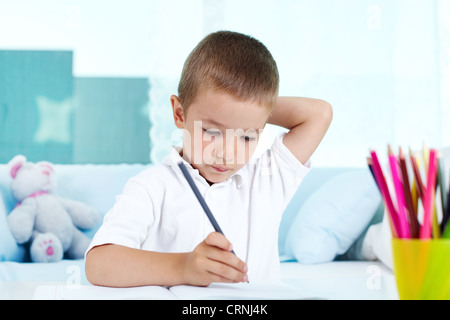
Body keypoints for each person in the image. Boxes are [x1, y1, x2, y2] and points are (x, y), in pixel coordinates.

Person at [85, 31, 332, 287]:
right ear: (180, 113)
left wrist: (251, 107)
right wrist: (184, 268)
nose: (227, 153)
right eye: (212, 131)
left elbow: (319, 114)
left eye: (247, 136)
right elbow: (98, 264)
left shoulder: (266, 180)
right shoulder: (151, 187)